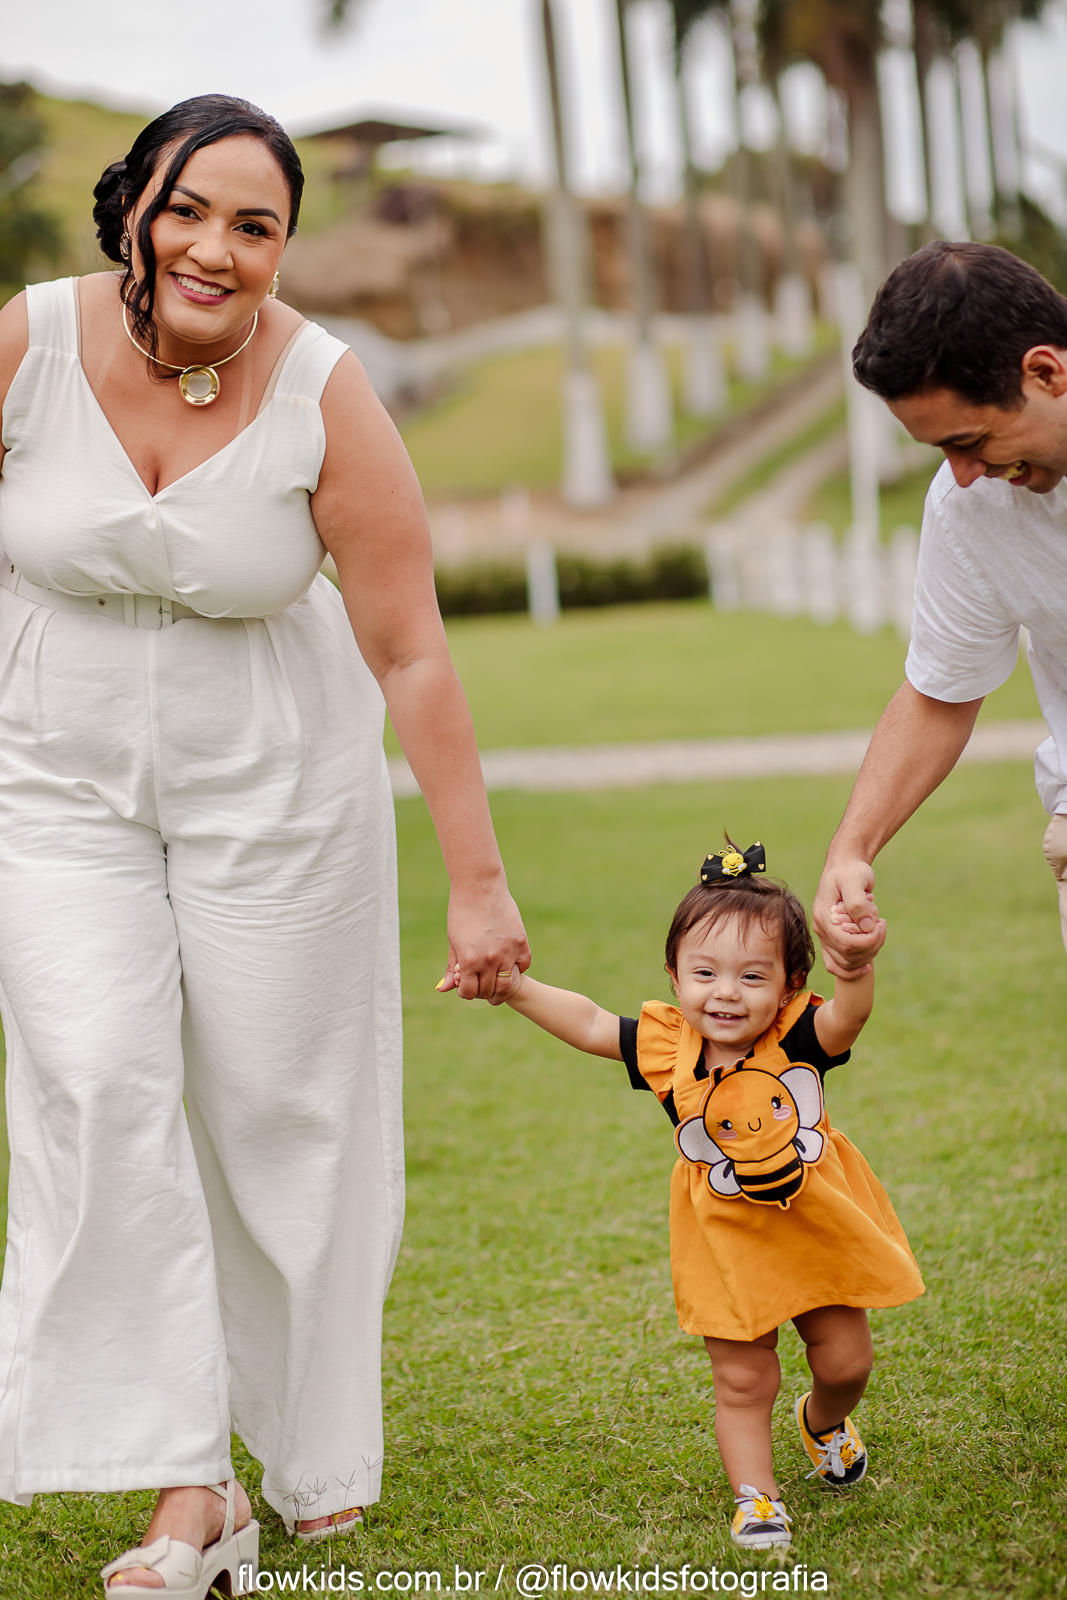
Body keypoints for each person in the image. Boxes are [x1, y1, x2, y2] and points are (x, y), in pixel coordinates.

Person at [0, 95, 530, 1596]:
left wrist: (478, 882)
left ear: (285, 247)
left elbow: (409, 648)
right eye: (185, 208)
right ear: (132, 206)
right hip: (53, 785)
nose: (213, 248)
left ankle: (305, 1450)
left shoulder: (321, 387)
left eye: (254, 225)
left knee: (283, 1118)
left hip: (276, 787)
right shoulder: (31, 341)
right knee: (97, 1086)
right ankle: (192, 1484)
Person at [456, 841, 923, 1550]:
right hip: (724, 1243)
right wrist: (513, 987)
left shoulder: (797, 1034)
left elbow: (846, 1019)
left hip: (815, 1229)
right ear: (674, 975)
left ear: (790, 984)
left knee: (845, 1363)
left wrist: (854, 968)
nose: (725, 992)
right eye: (704, 972)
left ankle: (823, 1420)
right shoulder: (667, 1047)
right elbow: (590, 1023)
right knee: (742, 1379)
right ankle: (757, 1499)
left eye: (752, 976)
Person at [815, 240, 1067, 975]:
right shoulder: (968, 507)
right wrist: (851, 848)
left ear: (1046, 373)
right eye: (941, 451)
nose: (961, 474)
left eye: (970, 440)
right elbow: (942, 691)